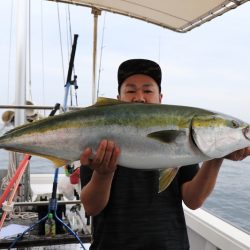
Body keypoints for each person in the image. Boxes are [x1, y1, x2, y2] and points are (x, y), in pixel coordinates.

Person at [80, 59, 250, 250]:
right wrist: (104, 173)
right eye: (130, 90)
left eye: (147, 90)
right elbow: (91, 207)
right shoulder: (99, 134)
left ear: (160, 98)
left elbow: (193, 200)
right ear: (118, 98)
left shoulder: (187, 147)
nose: (139, 97)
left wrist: (217, 155)